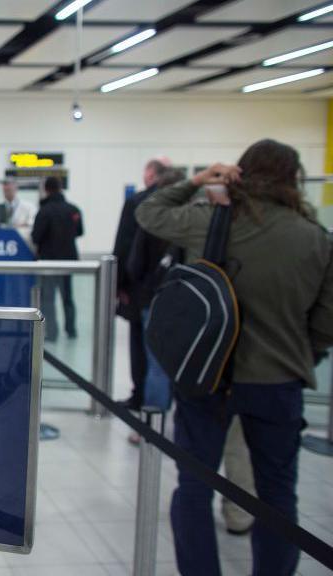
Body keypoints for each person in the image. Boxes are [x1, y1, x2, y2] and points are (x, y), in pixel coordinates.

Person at [136, 139, 333, 576]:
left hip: (207, 377)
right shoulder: (316, 238)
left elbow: (148, 213)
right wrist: (299, 354)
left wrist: (199, 180)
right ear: (293, 180)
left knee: (194, 486)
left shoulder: (211, 221)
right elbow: (326, 324)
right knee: (277, 496)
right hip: (278, 382)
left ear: (239, 173)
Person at [112, 157, 171, 409]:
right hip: (178, 288)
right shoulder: (185, 205)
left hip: (142, 287)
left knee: (141, 345)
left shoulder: (139, 202)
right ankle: (166, 400)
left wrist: (119, 285)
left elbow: (125, 245)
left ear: (150, 174)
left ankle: (142, 398)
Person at [31, 176, 82, 341]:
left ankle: (51, 332)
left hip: (49, 261)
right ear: (61, 188)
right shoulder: (73, 209)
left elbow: (35, 236)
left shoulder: (44, 211)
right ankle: (71, 330)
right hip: (69, 260)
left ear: (46, 189)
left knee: (49, 298)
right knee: (68, 296)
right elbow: (80, 231)